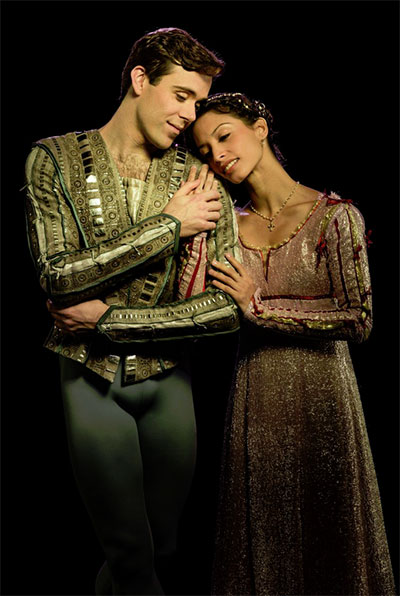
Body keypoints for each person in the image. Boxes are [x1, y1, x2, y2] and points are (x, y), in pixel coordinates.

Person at [24, 30, 242, 596]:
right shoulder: (52, 158)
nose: (191, 115)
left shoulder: (200, 174)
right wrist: (170, 225)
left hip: (170, 378)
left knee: (162, 547)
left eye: (198, 101)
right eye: (182, 96)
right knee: (128, 550)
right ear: (140, 80)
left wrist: (105, 320)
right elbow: (57, 277)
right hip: (89, 378)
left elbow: (226, 309)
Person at [185, 92, 396, 595]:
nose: (217, 154)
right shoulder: (224, 229)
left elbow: (358, 318)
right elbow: (197, 307)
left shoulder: (336, 217)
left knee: (332, 531)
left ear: (259, 128)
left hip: (327, 402)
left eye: (224, 136)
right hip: (257, 398)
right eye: (205, 150)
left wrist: (259, 308)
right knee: (262, 534)